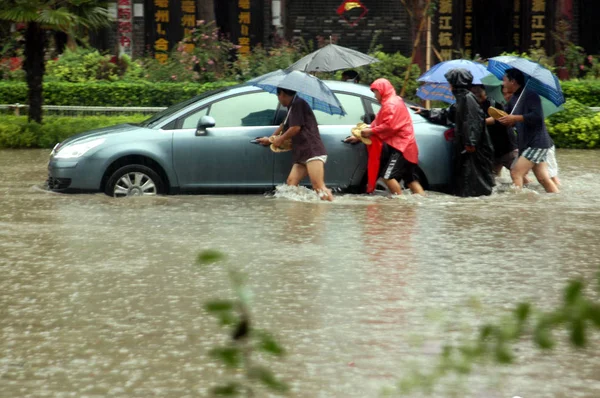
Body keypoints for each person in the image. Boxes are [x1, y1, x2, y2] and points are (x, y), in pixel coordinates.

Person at [411, 70, 495, 197]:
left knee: (474, 182)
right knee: (466, 181)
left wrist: (470, 142)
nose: (448, 85)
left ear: (455, 83)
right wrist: (425, 112)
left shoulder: (468, 99)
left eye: (450, 82)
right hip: (467, 147)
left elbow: (472, 122)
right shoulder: (462, 99)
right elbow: (447, 114)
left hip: (473, 149)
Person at [346, 78, 424, 195]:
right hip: (407, 145)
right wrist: (360, 137)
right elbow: (378, 122)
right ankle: (419, 204)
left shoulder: (391, 104)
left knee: (387, 177)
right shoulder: (393, 101)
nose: (375, 95)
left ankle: (399, 204)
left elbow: (389, 125)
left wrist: (371, 131)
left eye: (375, 91)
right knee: (410, 180)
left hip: (401, 146)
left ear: (382, 90)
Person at [256, 87, 333, 201]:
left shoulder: (298, 103)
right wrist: (270, 139)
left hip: (312, 151)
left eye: (278, 95)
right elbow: (284, 126)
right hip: (301, 153)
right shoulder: (291, 107)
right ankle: (299, 214)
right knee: (291, 183)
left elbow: (295, 128)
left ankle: (326, 211)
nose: (278, 99)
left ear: (282, 94)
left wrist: (280, 139)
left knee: (319, 187)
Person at [498, 68, 559, 193]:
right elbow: (505, 114)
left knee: (516, 172)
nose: (503, 84)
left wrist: (514, 118)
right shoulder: (515, 97)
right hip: (527, 144)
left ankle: (517, 204)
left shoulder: (531, 95)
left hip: (536, 143)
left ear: (513, 81)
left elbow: (537, 117)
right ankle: (556, 198)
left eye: (504, 80)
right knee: (543, 179)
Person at [470, 85, 518, 177]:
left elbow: (500, 118)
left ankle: (530, 189)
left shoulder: (495, 102)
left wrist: (480, 122)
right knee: (493, 176)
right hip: (492, 148)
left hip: (507, 147)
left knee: (517, 173)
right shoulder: (474, 105)